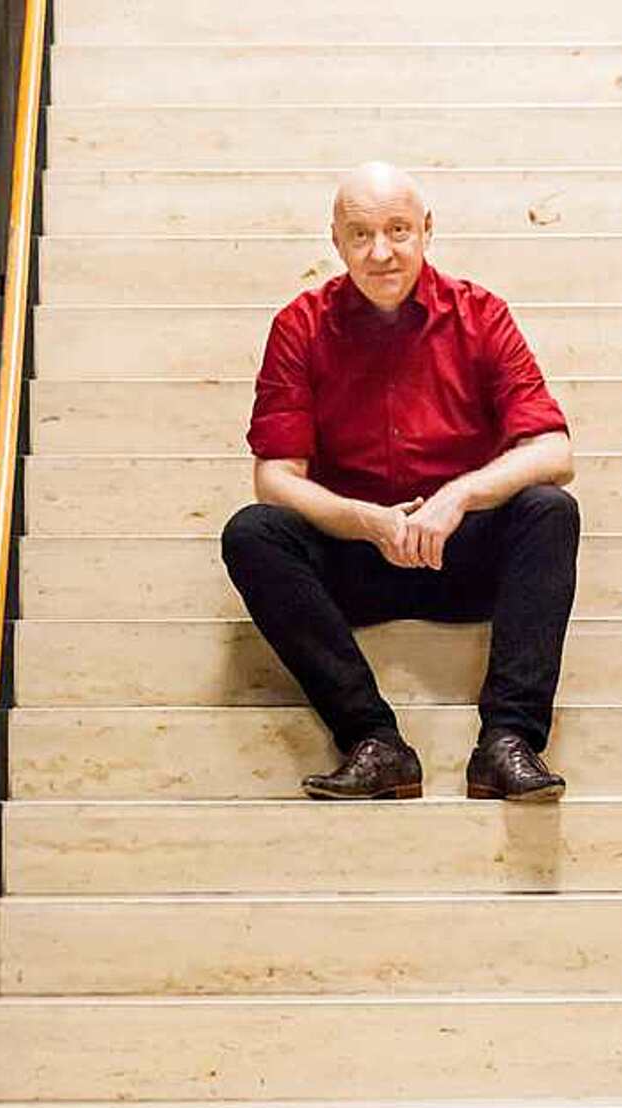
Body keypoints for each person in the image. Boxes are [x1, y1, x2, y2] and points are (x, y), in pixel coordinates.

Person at [222, 160, 580, 802]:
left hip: (459, 553)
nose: (381, 252)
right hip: (355, 557)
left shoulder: (480, 315)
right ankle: (373, 741)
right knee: (253, 533)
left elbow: (554, 450)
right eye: (361, 235)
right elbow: (274, 478)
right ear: (336, 241)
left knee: (549, 509)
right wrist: (365, 519)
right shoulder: (300, 325)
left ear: (426, 230)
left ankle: (508, 742)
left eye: (397, 230)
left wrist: (457, 497)